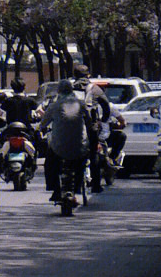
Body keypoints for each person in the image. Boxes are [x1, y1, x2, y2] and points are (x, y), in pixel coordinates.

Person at [41, 79, 88, 204]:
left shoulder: (54, 106)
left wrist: (40, 130)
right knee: (83, 162)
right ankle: (78, 187)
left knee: (49, 165)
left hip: (58, 148)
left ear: (59, 91)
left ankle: (55, 190)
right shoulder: (81, 104)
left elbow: (43, 124)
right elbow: (90, 121)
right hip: (80, 146)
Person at [73, 64, 111, 192]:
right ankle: (96, 185)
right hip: (91, 128)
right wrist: (103, 120)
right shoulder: (95, 89)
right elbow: (106, 107)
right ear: (88, 75)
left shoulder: (69, 89)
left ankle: (76, 185)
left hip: (73, 127)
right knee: (93, 153)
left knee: (75, 154)